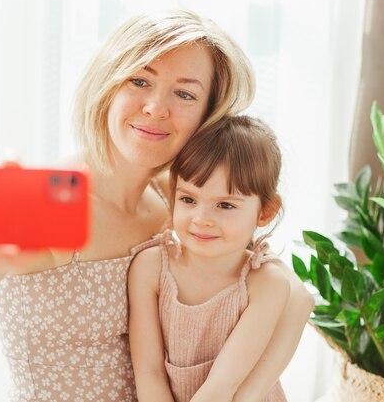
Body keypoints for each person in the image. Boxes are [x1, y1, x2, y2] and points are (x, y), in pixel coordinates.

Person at [0, 9, 313, 402]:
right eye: (139, 81)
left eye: (184, 93)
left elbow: (290, 294)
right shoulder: (54, 198)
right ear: (109, 84)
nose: (155, 107)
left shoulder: (181, 206)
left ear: (208, 115)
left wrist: (244, 392)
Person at [129, 115, 308, 402]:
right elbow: (148, 372)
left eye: (225, 205)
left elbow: (222, 385)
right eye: (188, 199)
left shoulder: (266, 284)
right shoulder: (150, 267)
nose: (201, 219)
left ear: (265, 212)